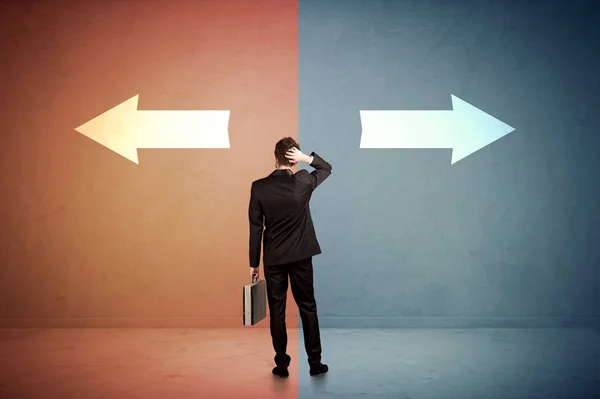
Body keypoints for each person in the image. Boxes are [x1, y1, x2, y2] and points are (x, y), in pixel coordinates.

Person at [248, 137, 332, 378]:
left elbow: (255, 227)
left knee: (277, 310)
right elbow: (326, 168)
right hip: (301, 255)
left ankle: (282, 364)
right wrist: (307, 158)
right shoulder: (303, 181)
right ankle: (315, 364)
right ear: (293, 160)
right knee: (308, 307)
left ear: (276, 158)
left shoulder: (259, 187)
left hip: (274, 258)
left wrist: (254, 263)